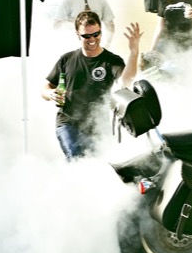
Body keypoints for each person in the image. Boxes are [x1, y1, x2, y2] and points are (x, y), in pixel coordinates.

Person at [42, 11, 142, 160]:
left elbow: (125, 82)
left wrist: (134, 53)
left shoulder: (111, 60)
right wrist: (50, 94)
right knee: (75, 156)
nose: (92, 40)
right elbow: (45, 88)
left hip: (98, 125)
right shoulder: (67, 59)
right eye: (86, 36)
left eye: (96, 34)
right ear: (77, 34)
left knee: (99, 163)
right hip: (68, 122)